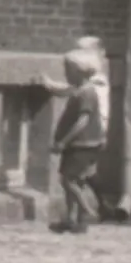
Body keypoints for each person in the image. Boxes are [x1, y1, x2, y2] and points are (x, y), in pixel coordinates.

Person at [51, 47, 108, 233]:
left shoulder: (86, 93)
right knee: (75, 181)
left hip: (82, 144)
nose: (66, 74)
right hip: (79, 145)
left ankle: (87, 210)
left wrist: (64, 141)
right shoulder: (80, 91)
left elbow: (82, 121)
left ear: (80, 71)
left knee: (68, 180)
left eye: (68, 70)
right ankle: (73, 220)